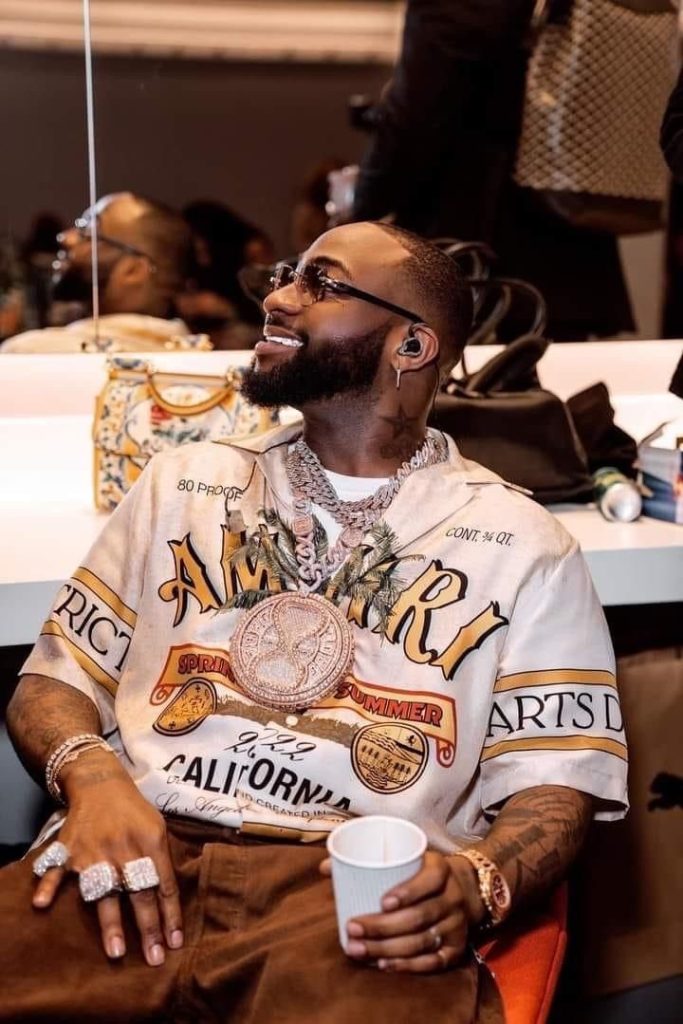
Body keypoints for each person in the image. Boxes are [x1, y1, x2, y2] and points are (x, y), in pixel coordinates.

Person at [1, 222, 627, 1022]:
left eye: (321, 284)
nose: (279, 298)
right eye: (287, 276)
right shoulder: (183, 484)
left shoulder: (522, 544)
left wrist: (474, 883)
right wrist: (92, 777)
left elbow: (555, 785)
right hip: (135, 853)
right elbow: (51, 683)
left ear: (411, 345)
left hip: (350, 891)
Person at [351, 0, 635, 340]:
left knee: (443, 368)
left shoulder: (459, 9)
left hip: (477, 252)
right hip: (573, 244)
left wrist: (359, 211)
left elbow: (414, 119)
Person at [0, 192, 198, 353]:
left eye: (88, 231)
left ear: (133, 271)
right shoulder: (197, 360)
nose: (65, 238)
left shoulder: (30, 354)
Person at [176, 199, 274, 351]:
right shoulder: (190, 260)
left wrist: (227, 309)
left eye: (204, 247)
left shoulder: (250, 249)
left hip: (252, 328)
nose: (202, 256)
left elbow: (268, 302)